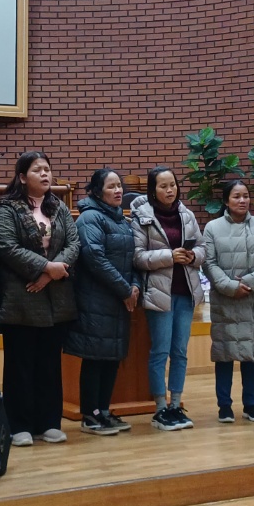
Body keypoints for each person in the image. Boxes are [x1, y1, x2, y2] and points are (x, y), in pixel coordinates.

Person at [0, 151, 80, 447]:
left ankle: (49, 422)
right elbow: (6, 246)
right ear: (22, 177)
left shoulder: (59, 206)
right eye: (37, 170)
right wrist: (45, 267)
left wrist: (51, 274)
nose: (45, 174)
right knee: (20, 365)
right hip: (21, 296)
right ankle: (19, 425)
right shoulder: (7, 208)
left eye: (47, 169)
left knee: (49, 364)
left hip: (55, 297)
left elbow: (74, 243)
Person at [202, 179, 254, 422]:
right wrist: (230, 287)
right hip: (226, 299)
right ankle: (224, 406)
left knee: (251, 352)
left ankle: (251, 405)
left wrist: (248, 282)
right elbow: (209, 263)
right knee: (225, 353)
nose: (242, 200)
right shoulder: (212, 227)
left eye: (246, 196)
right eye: (236, 196)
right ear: (226, 201)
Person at [130, 166, 205, 431]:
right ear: (153, 190)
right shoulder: (142, 217)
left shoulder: (187, 214)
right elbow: (137, 257)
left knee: (180, 352)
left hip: (186, 291)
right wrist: (169, 256)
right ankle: (160, 408)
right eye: (163, 186)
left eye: (172, 184)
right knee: (160, 351)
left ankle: (175, 405)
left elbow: (203, 248)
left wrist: (193, 256)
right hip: (159, 293)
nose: (169, 190)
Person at [69, 168, 139, 436]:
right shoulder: (90, 218)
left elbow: (133, 258)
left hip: (118, 299)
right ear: (98, 192)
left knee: (111, 356)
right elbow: (94, 258)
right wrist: (124, 289)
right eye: (111, 186)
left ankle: (104, 410)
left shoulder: (122, 220)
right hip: (95, 299)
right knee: (95, 358)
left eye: (119, 185)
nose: (118, 190)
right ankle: (90, 415)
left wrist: (135, 286)